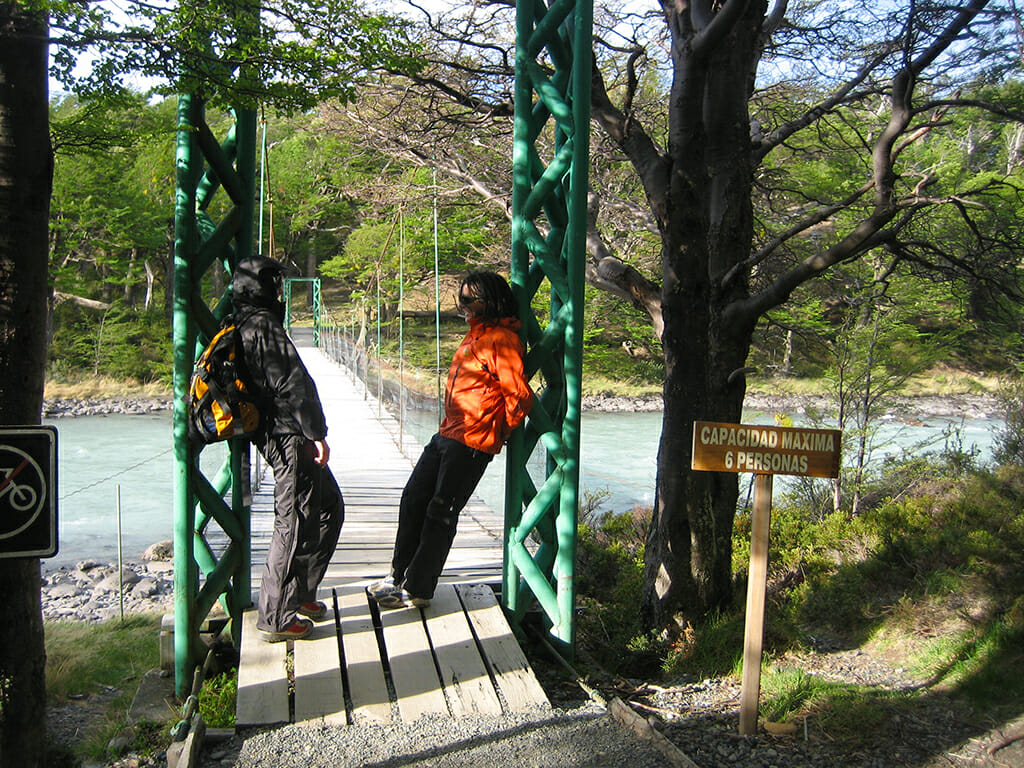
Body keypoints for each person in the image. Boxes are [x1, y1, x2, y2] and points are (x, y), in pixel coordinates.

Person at [369, 270, 533, 609]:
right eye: (461, 300)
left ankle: (417, 589)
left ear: (491, 301)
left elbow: (519, 397)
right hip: (447, 433)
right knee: (414, 498)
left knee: (440, 511)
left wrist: (497, 431)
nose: (463, 307)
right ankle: (397, 575)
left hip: (472, 441)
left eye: (469, 301)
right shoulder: (474, 336)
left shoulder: (502, 339)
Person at [232, 256, 345, 641]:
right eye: (276, 283)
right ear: (263, 286)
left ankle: (299, 595)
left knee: (329, 505)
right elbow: (294, 384)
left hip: (275, 433)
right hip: (289, 435)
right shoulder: (264, 326)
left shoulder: (246, 321)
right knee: (292, 522)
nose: (281, 289)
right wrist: (317, 432)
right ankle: (277, 616)